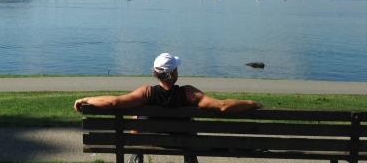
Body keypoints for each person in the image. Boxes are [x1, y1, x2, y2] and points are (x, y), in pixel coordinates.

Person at [74, 53, 263, 163]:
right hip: (184, 143)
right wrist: (251, 103)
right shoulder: (188, 93)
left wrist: (86, 99)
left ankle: (136, 155)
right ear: (173, 74)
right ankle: (190, 158)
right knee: (188, 126)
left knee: (137, 118)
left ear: (156, 74)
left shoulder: (147, 93)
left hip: (151, 141)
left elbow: (115, 102)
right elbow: (222, 106)